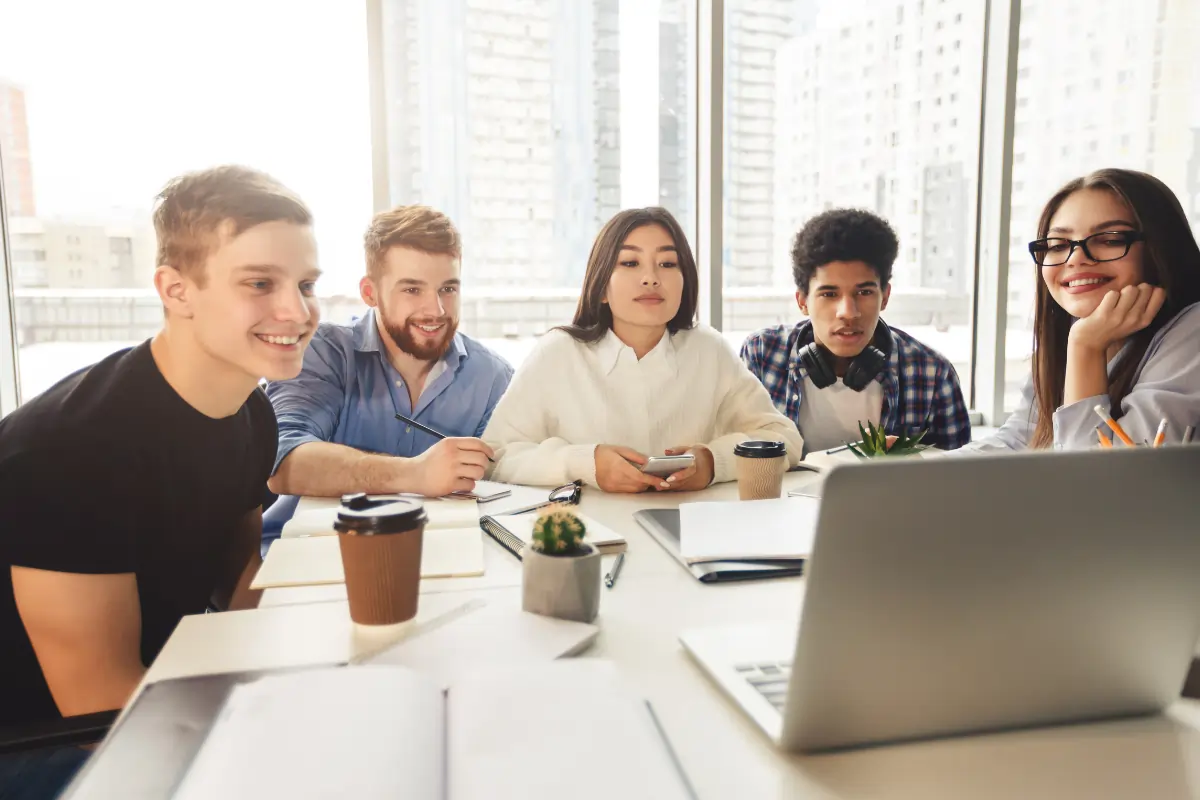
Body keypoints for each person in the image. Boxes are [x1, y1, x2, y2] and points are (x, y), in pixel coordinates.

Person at [0, 165, 319, 796]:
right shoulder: (71, 452)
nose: (299, 311)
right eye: (260, 283)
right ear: (176, 290)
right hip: (41, 740)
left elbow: (238, 584)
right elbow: (99, 709)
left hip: (154, 690)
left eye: (306, 284)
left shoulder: (249, 411)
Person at [482, 207, 803, 492]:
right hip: (589, 537)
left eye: (666, 263)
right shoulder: (558, 354)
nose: (650, 278)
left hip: (691, 532)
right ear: (602, 286)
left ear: (684, 281)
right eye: (630, 262)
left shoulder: (709, 349)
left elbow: (783, 438)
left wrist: (713, 463)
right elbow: (496, 457)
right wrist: (585, 464)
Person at [263, 205, 512, 543]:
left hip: (441, 554)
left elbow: (503, 482)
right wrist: (416, 473)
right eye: (412, 290)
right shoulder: (324, 352)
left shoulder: (492, 377)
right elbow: (283, 462)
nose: (436, 310)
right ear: (370, 293)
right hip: (313, 552)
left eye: (448, 289)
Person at [963, 168, 1200, 452]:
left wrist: (1085, 346)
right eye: (1058, 244)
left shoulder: (1192, 330)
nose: (1075, 258)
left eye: (1110, 239)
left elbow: (1098, 481)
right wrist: (914, 468)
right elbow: (1019, 441)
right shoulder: (1070, 338)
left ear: (1162, 248)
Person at [740, 209, 971, 455]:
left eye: (864, 292)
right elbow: (734, 454)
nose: (848, 313)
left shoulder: (932, 373)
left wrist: (910, 463)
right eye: (829, 294)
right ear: (802, 301)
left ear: (885, 297)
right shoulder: (761, 355)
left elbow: (959, 483)